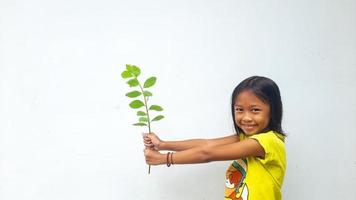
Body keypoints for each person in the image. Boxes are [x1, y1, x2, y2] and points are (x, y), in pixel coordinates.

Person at [143, 76, 286, 200]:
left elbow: (207, 154)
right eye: (239, 110)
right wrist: (162, 144)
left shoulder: (266, 142)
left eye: (255, 110)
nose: (246, 117)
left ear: (273, 110)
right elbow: (207, 144)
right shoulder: (245, 138)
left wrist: (163, 159)